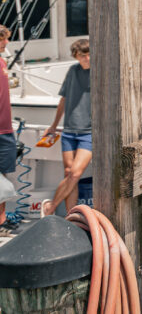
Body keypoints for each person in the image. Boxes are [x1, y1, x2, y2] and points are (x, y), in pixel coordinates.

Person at [42, 38, 91, 217]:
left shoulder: (98, 73)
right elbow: (63, 99)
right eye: (82, 55)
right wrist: (54, 126)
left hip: (89, 132)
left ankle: (50, 208)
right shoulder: (72, 71)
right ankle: (71, 218)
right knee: (69, 173)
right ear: (76, 56)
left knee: (75, 173)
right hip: (69, 131)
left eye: (88, 54)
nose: (87, 58)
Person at [0, 26, 14, 233]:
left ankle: (1, 223)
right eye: (3, 39)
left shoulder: (2, 61)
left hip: (5, 130)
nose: (6, 43)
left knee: (2, 180)